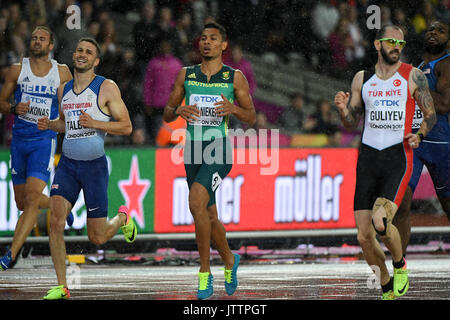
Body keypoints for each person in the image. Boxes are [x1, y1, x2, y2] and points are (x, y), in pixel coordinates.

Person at [334, 25, 436, 300]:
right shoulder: (361, 79)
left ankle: (400, 264)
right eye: (391, 41)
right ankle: (386, 285)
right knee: (364, 237)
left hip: (397, 157)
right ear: (378, 44)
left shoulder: (412, 76)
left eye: (400, 43)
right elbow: (352, 120)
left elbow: (430, 114)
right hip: (367, 160)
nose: (396, 47)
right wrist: (344, 110)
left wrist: (421, 134)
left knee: (381, 222)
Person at [36, 37, 135, 300]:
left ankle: (123, 218)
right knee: (55, 221)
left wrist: (96, 123)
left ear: (96, 61)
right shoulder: (64, 90)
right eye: (79, 49)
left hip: (94, 168)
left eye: (88, 52)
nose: (81, 54)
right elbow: (66, 124)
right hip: (67, 165)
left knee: (98, 238)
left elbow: (126, 127)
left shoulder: (106, 88)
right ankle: (61, 286)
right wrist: (51, 124)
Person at [163, 22, 256, 300]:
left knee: (194, 202)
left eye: (213, 39)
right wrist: (178, 109)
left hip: (219, 149)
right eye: (203, 38)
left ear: (223, 45)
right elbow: (167, 114)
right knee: (209, 214)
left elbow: (251, 117)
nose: (206, 42)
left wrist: (234, 109)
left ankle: (205, 273)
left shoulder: (234, 77)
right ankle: (229, 260)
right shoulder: (186, 74)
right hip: (192, 149)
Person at [0, 26, 73, 271]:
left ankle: (9, 255)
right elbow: (1, 101)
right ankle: (57, 204)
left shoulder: (61, 72)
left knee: (31, 199)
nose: (37, 41)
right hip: (19, 141)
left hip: (44, 140)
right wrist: (12, 108)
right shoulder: (18, 69)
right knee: (22, 202)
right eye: (34, 38)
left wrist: (57, 125)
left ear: (51, 45)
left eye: (42, 39)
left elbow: (71, 106)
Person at [393, 20, 450, 256]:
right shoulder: (417, 68)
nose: (433, 33)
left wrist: (417, 89)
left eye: (440, 30)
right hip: (414, 143)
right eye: (430, 29)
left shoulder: (445, 64)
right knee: (401, 205)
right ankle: (400, 266)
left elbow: (445, 105)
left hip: (441, 145)